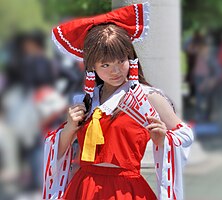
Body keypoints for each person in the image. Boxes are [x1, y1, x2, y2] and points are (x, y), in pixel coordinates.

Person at [43, 3, 194, 200]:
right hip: (84, 188)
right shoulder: (86, 101)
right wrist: (70, 128)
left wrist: (164, 139)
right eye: (105, 64)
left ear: (130, 60)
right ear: (92, 68)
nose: (115, 71)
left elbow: (184, 134)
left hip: (125, 189)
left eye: (120, 61)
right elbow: (58, 152)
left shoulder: (145, 97)